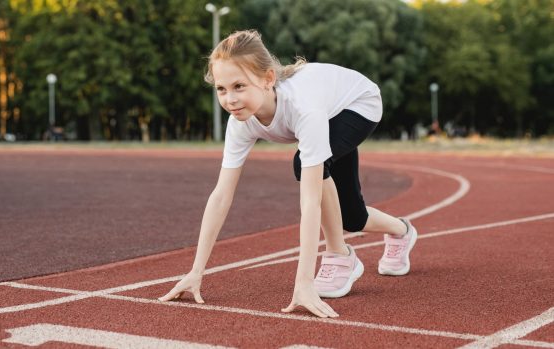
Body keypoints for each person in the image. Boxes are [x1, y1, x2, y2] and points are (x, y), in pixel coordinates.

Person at [159, 30, 418, 318]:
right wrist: (196, 271)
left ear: (268, 79)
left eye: (239, 86)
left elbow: (309, 202)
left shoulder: (302, 107)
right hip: (328, 107)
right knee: (352, 218)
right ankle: (401, 231)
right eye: (221, 89)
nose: (230, 99)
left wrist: (303, 282)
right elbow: (221, 196)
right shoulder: (241, 122)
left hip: (358, 104)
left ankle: (339, 255)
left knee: (304, 165)